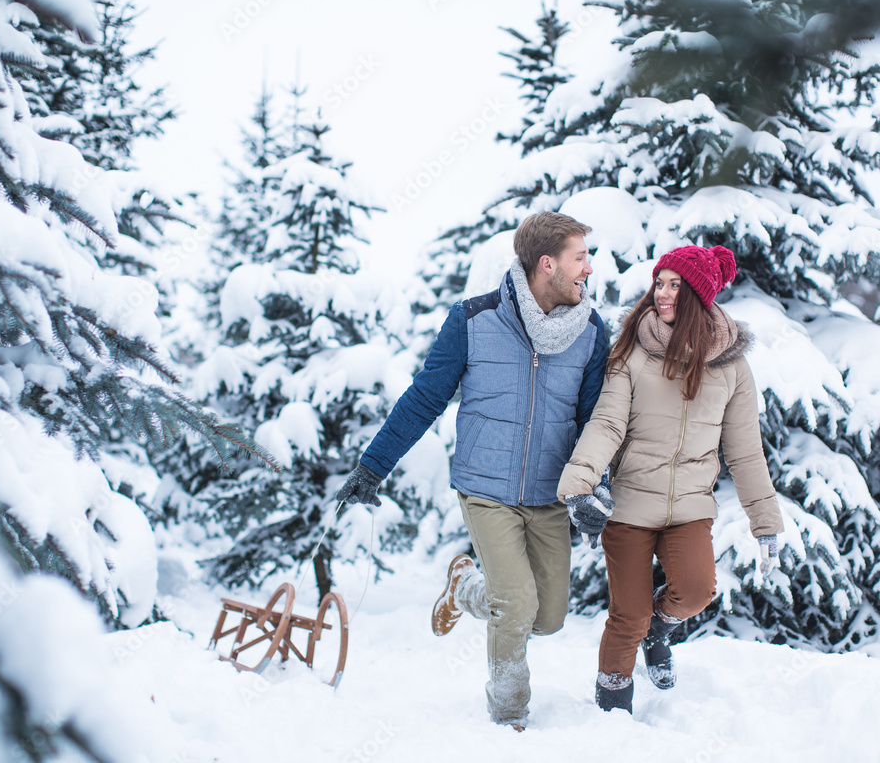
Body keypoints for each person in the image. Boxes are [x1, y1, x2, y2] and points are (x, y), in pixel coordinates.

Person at [336, 211, 609, 730]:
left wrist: (598, 488)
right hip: (487, 490)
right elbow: (424, 398)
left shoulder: (591, 331)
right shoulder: (474, 320)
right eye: (581, 257)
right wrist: (374, 465)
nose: (589, 270)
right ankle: (509, 718)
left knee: (547, 619)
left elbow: (596, 421)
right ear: (547, 264)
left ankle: (463, 588)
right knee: (517, 602)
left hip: (549, 494)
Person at [557, 244, 784, 715]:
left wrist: (765, 521)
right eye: (659, 283)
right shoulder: (632, 353)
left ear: (699, 296)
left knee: (698, 590)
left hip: (690, 509)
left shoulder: (732, 368)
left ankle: (659, 631)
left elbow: (745, 450)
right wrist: (579, 482)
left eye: (674, 285)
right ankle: (612, 705)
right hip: (631, 507)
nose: (661, 293)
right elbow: (607, 424)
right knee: (628, 616)